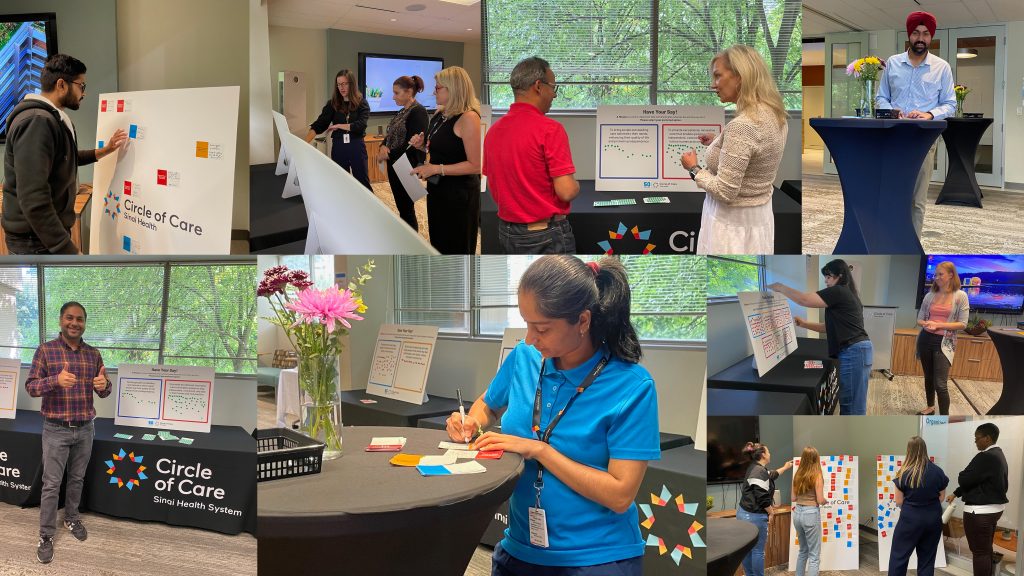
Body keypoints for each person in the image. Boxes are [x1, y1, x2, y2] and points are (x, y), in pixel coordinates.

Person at [444, 256, 659, 575]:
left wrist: (540, 450)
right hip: (518, 551)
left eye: (541, 328)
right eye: (527, 324)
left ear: (583, 321)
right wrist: (472, 421)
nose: (530, 338)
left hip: (596, 560)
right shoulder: (524, 358)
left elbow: (619, 495)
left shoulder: (633, 387)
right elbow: (488, 405)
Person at [2, 54, 127, 254]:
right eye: (81, 86)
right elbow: (34, 198)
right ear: (61, 84)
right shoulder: (37, 122)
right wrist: (68, 250)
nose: (83, 93)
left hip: (43, 237)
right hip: (36, 242)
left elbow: (64, 158)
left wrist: (104, 150)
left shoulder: (50, 117)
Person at [680, 45, 788, 255]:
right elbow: (756, 153)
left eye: (718, 76)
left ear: (740, 76)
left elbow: (725, 191)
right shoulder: (776, 114)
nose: (713, 85)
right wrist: (719, 141)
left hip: (732, 227)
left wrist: (694, 169)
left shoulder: (743, 126)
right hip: (758, 219)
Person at [25, 301, 111, 564]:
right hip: (55, 430)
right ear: (61, 320)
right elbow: (31, 387)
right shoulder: (46, 351)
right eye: (70, 318)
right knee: (51, 485)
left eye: (80, 319)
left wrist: (105, 384)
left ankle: (71, 519)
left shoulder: (94, 354)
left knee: (76, 479)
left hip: (85, 429)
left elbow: (103, 391)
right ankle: (46, 535)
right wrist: (55, 381)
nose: (75, 323)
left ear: (85, 323)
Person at [483, 56, 580, 254]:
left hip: (506, 232)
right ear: (538, 86)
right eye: (553, 87)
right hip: (546, 235)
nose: (554, 95)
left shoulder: (493, 131)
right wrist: (576, 185)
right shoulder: (550, 129)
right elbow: (567, 191)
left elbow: (495, 187)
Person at [876, 11, 956, 239]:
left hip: (923, 140)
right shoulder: (893, 63)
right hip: (893, 137)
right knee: (891, 194)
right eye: (916, 33)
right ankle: (889, 239)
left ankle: (912, 243)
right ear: (909, 35)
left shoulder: (942, 67)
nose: (920, 38)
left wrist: (929, 114)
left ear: (931, 37)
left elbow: (950, 104)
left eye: (925, 34)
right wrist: (892, 110)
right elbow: (881, 97)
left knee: (917, 199)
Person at [768, 259, 873, 415]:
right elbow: (828, 327)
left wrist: (780, 287)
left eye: (829, 276)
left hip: (854, 351)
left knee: (851, 406)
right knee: (853, 403)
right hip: (858, 350)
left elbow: (804, 299)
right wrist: (804, 324)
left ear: (840, 276)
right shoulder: (849, 294)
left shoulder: (839, 291)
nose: (826, 280)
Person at [408, 66, 481, 254]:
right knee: (439, 243)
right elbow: (441, 148)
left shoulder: (468, 118)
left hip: (459, 196)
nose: (434, 91)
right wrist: (421, 144)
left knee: (457, 247)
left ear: (454, 89)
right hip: (438, 190)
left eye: (438, 88)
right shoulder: (440, 114)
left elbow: (475, 165)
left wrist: (436, 169)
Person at [946, 423, 1009, 576]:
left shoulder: (985, 457)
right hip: (993, 510)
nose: (975, 442)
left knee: (979, 553)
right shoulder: (998, 454)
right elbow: (979, 480)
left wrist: (962, 475)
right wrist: (956, 493)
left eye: (977, 438)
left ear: (987, 438)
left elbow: (965, 478)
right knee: (986, 550)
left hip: (979, 513)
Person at [889, 436, 948, 576]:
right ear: (925, 450)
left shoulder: (903, 473)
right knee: (927, 560)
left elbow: (898, 501)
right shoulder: (938, 471)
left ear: (909, 451)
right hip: (933, 519)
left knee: (899, 557)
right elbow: (941, 497)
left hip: (910, 520)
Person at [916, 261, 969, 415]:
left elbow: (963, 324)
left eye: (940, 274)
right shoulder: (929, 295)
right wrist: (927, 324)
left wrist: (939, 325)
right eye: (935, 274)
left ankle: (944, 418)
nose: (936, 277)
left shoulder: (961, 296)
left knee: (940, 383)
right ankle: (930, 407)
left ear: (951, 275)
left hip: (944, 343)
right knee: (929, 377)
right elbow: (919, 319)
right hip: (925, 339)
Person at [377, 75, 429, 231]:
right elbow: (390, 134)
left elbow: (411, 145)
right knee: (402, 206)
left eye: (396, 93)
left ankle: (411, 241)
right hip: (395, 164)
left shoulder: (418, 112)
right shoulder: (402, 112)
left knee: (407, 209)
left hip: (406, 167)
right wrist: (382, 145)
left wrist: (388, 153)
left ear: (409, 92)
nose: (393, 97)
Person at [306, 69, 372, 191]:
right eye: (338, 84)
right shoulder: (333, 104)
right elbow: (320, 124)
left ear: (352, 84)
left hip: (356, 145)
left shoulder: (362, 103)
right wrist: (304, 142)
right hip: (339, 147)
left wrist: (339, 126)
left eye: (345, 83)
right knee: (341, 182)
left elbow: (361, 125)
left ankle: (369, 209)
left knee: (362, 182)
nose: (341, 87)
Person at [738, 441, 793, 576]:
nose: (770, 454)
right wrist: (771, 511)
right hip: (754, 517)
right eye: (768, 451)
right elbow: (762, 498)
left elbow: (771, 475)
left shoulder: (755, 468)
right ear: (763, 454)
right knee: (757, 551)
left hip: (743, 513)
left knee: (747, 549)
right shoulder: (759, 471)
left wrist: (785, 467)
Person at [791, 446, 826, 576]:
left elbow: (793, 498)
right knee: (814, 556)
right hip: (811, 513)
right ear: (816, 459)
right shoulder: (817, 475)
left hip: (798, 514)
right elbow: (820, 499)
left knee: (803, 551)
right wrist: (825, 501)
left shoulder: (797, 475)